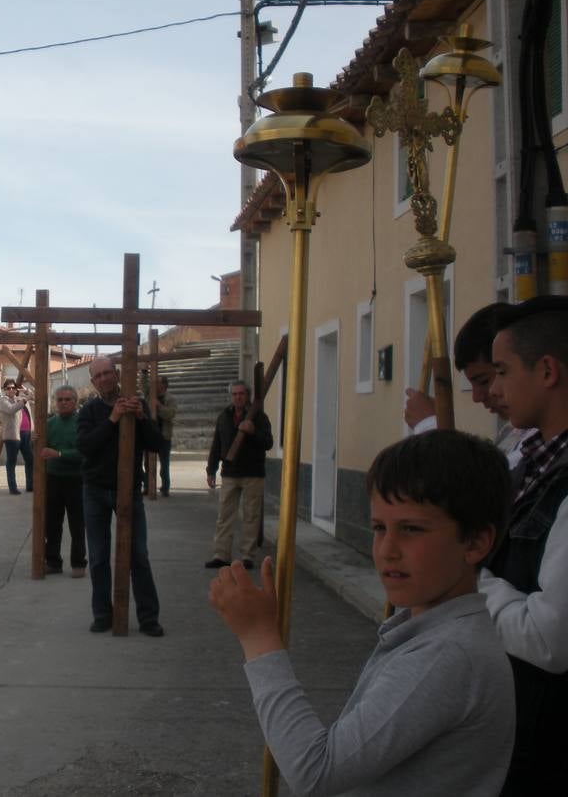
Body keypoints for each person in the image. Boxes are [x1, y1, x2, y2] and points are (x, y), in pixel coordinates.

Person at [209, 430, 514, 796]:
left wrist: (259, 637)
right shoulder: (435, 633)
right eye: (379, 528)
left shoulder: (446, 656)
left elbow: (315, 772)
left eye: (411, 530)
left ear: (476, 542)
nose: (388, 550)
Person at [480, 295, 568, 794]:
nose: (495, 389)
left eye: (502, 371)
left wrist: (469, 581)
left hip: (548, 740)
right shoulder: (528, 455)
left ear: (548, 370)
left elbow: (550, 639)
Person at [76, 356, 163, 636]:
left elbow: (156, 443)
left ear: (117, 375)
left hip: (128, 490)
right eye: (98, 375)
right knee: (99, 556)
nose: (104, 379)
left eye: (108, 373)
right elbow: (85, 447)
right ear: (93, 381)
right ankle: (103, 615)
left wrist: (140, 418)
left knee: (138, 554)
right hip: (95, 490)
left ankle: (149, 618)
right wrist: (112, 420)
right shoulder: (89, 410)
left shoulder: (137, 404)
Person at [405, 302, 530, 466]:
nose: (476, 397)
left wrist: (429, 425)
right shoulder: (515, 430)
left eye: (483, 381)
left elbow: (479, 486)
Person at [205, 380, 273, 571]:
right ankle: (221, 555)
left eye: (241, 394)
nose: (238, 397)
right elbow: (217, 444)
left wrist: (253, 432)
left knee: (251, 516)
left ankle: (247, 556)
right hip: (230, 473)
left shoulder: (259, 417)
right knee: (224, 515)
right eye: (234, 394)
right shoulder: (224, 416)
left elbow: (268, 442)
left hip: (253, 473)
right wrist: (211, 469)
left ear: (248, 395)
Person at [40, 385, 86, 577]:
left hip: (77, 480)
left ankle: (78, 563)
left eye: (68, 399)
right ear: (55, 403)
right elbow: (40, 451)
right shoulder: (49, 424)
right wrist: (34, 440)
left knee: (77, 524)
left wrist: (59, 454)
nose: (64, 403)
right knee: (52, 523)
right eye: (60, 400)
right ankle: (53, 562)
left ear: (75, 402)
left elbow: (85, 453)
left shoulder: (83, 423)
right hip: (53, 480)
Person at [0, 378, 35, 495]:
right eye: (8, 388)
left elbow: (36, 397)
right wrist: (26, 398)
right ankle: (13, 487)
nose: (11, 390)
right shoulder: (4, 401)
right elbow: (11, 409)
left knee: (30, 459)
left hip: (26, 433)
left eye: (13, 388)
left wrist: (27, 391)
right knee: (12, 462)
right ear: (5, 390)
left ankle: (30, 485)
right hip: (12, 435)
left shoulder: (21, 399)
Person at [152, 376, 177, 497]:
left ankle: (165, 487)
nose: (155, 384)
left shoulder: (170, 398)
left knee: (164, 463)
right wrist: (145, 371)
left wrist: (159, 406)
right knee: (148, 463)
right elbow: (144, 385)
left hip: (164, 435)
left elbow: (170, 414)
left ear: (163, 385)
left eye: (158, 382)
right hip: (152, 433)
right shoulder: (151, 395)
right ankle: (148, 486)